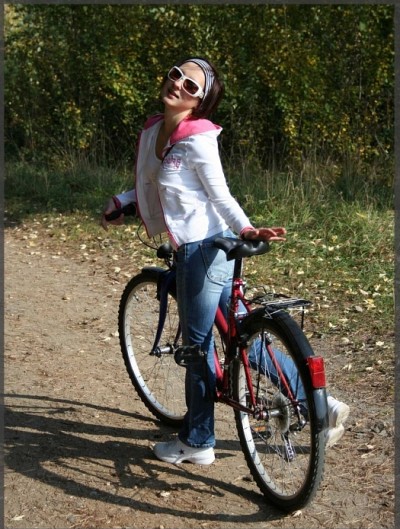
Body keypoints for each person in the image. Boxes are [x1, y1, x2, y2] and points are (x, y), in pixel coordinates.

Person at [102, 56, 349, 464]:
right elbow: (154, 185)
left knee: (196, 347)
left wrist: (247, 228)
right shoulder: (155, 130)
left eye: (191, 85)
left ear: (200, 101)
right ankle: (321, 403)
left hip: (203, 250)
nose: (178, 84)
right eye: (176, 75)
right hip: (201, 249)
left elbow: (221, 196)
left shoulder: (198, 139)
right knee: (238, 333)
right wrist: (122, 202)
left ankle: (198, 440)